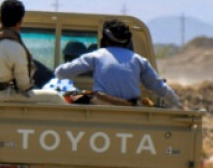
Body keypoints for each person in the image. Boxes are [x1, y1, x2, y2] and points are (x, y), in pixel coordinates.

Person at [54, 18, 183, 108]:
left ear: (105, 39)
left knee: (72, 96)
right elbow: (158, 86)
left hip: (101, 106)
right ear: (128, 41)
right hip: (131, 108)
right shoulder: (139, 60)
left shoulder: (97, 55)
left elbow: (61, 73)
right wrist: (177, 103)